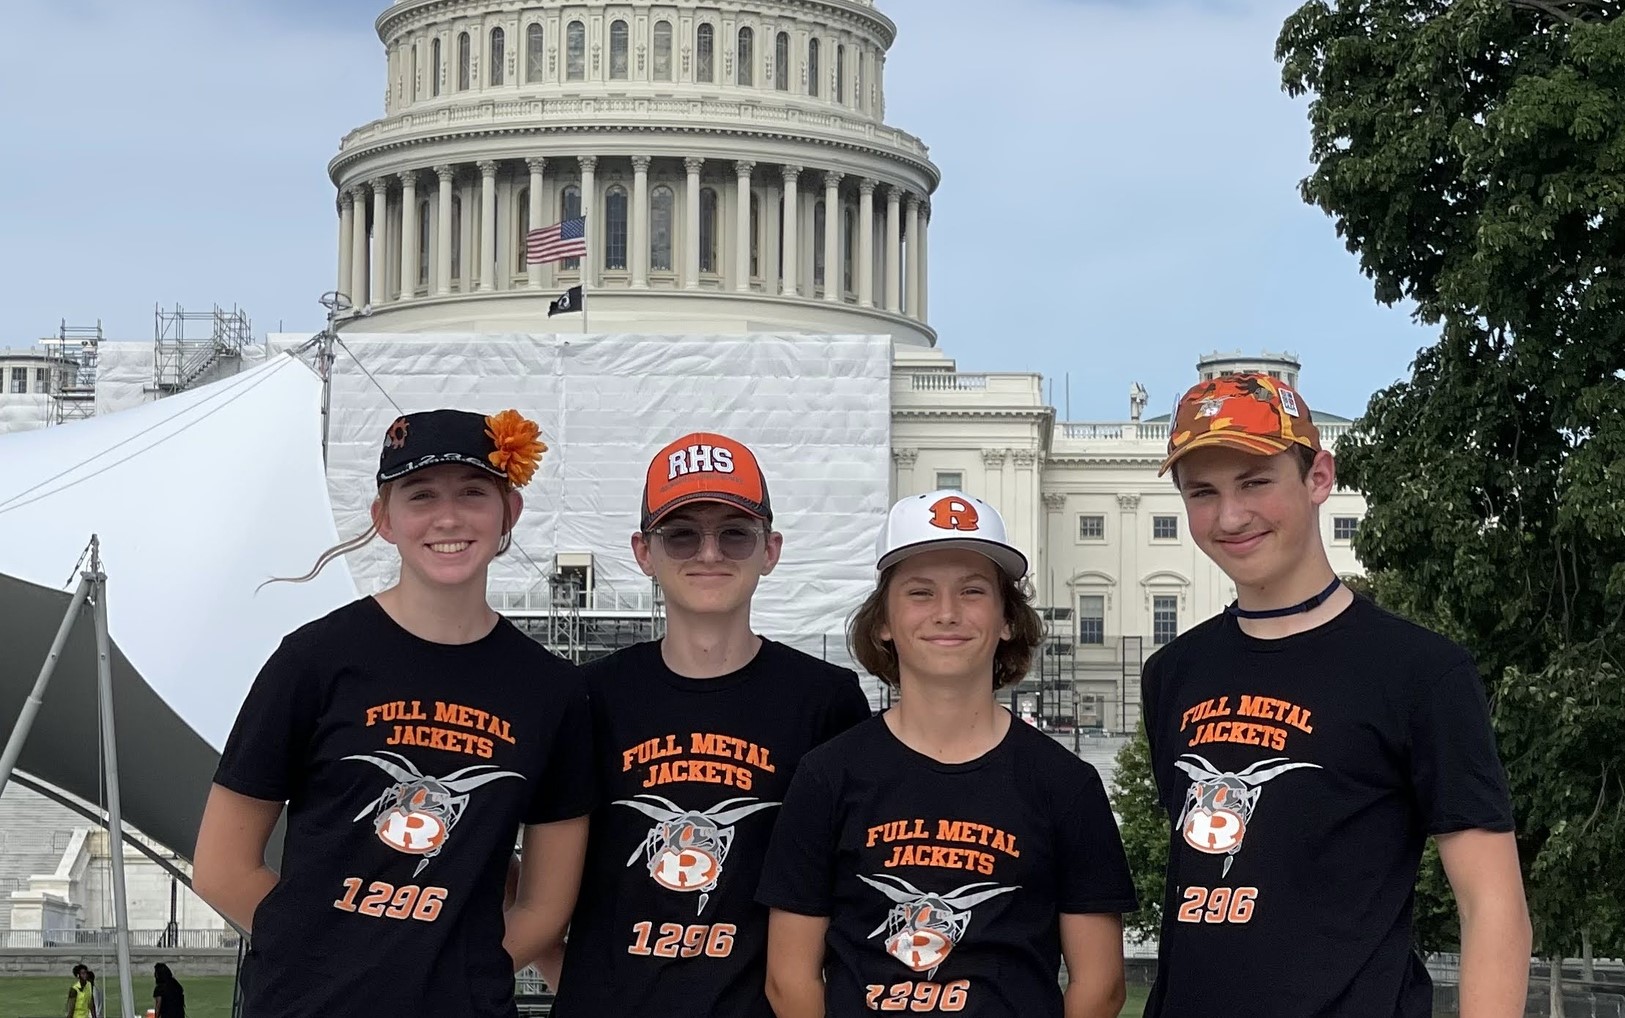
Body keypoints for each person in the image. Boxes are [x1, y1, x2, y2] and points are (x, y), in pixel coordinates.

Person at [1141, 373, 1532, 1017]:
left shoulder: (1420, 672)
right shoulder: (1174, 675)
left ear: (1318, 478)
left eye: (1256, 482)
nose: (1230, 516)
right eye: (1202, 493)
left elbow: (1493, 905)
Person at [192, 408, 596, 1018]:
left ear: (509, 512)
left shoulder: (550, 691)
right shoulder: (315, 660)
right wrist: (329, 960)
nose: (449, 517)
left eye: (473, 493)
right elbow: (221, 867)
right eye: (421, 495)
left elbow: (545, 905)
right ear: (384, 518)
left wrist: (454, 972)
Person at [758, 490, 1137, 1018]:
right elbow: (789, 979)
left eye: (973, 590)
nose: (947, 612)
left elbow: (1101, 986)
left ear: (1007, 619)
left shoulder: (1064, 783)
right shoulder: (828, 775)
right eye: (919, 592)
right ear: (883, 622)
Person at [551, 432, 872, 1018]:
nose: (708, 554)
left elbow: (850, 897)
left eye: (734, 534)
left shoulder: (825, 700)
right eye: (680, 535)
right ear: (643, 552)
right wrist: (583, 982)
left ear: (770, 550)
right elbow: (532, 871)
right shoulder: (590, 695)